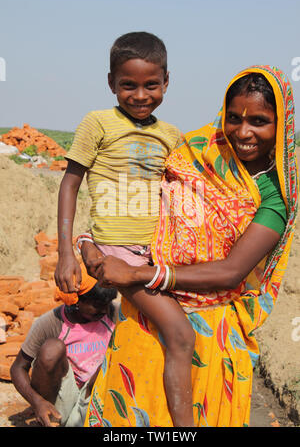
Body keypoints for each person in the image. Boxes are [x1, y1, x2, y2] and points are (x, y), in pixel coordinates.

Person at [83, 65, 298, 427]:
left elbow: (231, 271)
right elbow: (132, 199)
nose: (243, 132)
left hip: (210, 334)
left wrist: (137, 272)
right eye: (233, 118)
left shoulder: (276, 195)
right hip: (150, 315)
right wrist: (90, 241)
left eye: (259, 121)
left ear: (282, 125)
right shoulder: (194, 154)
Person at [54, 32, 197, 427]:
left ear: (166, 81)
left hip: (152, 253)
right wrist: (68, 250)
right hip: (115, 252)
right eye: (127, 85)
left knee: (150, 338)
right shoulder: (98, 123)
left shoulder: (170, 135)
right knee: (181, 335)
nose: (139, 95)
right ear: (111, 83)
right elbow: (70, 183)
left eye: (151, 85)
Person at [10, 262, 118, 427]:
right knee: (52, 349)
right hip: (62, 397)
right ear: (76, 300)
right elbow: (18, 368)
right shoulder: (51, 322)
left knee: (117, 353)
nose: (104, 310)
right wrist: (37, 402)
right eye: (97, 305)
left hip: (98, 393)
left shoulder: (113, 314)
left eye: (107, 304)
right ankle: (50, 419)